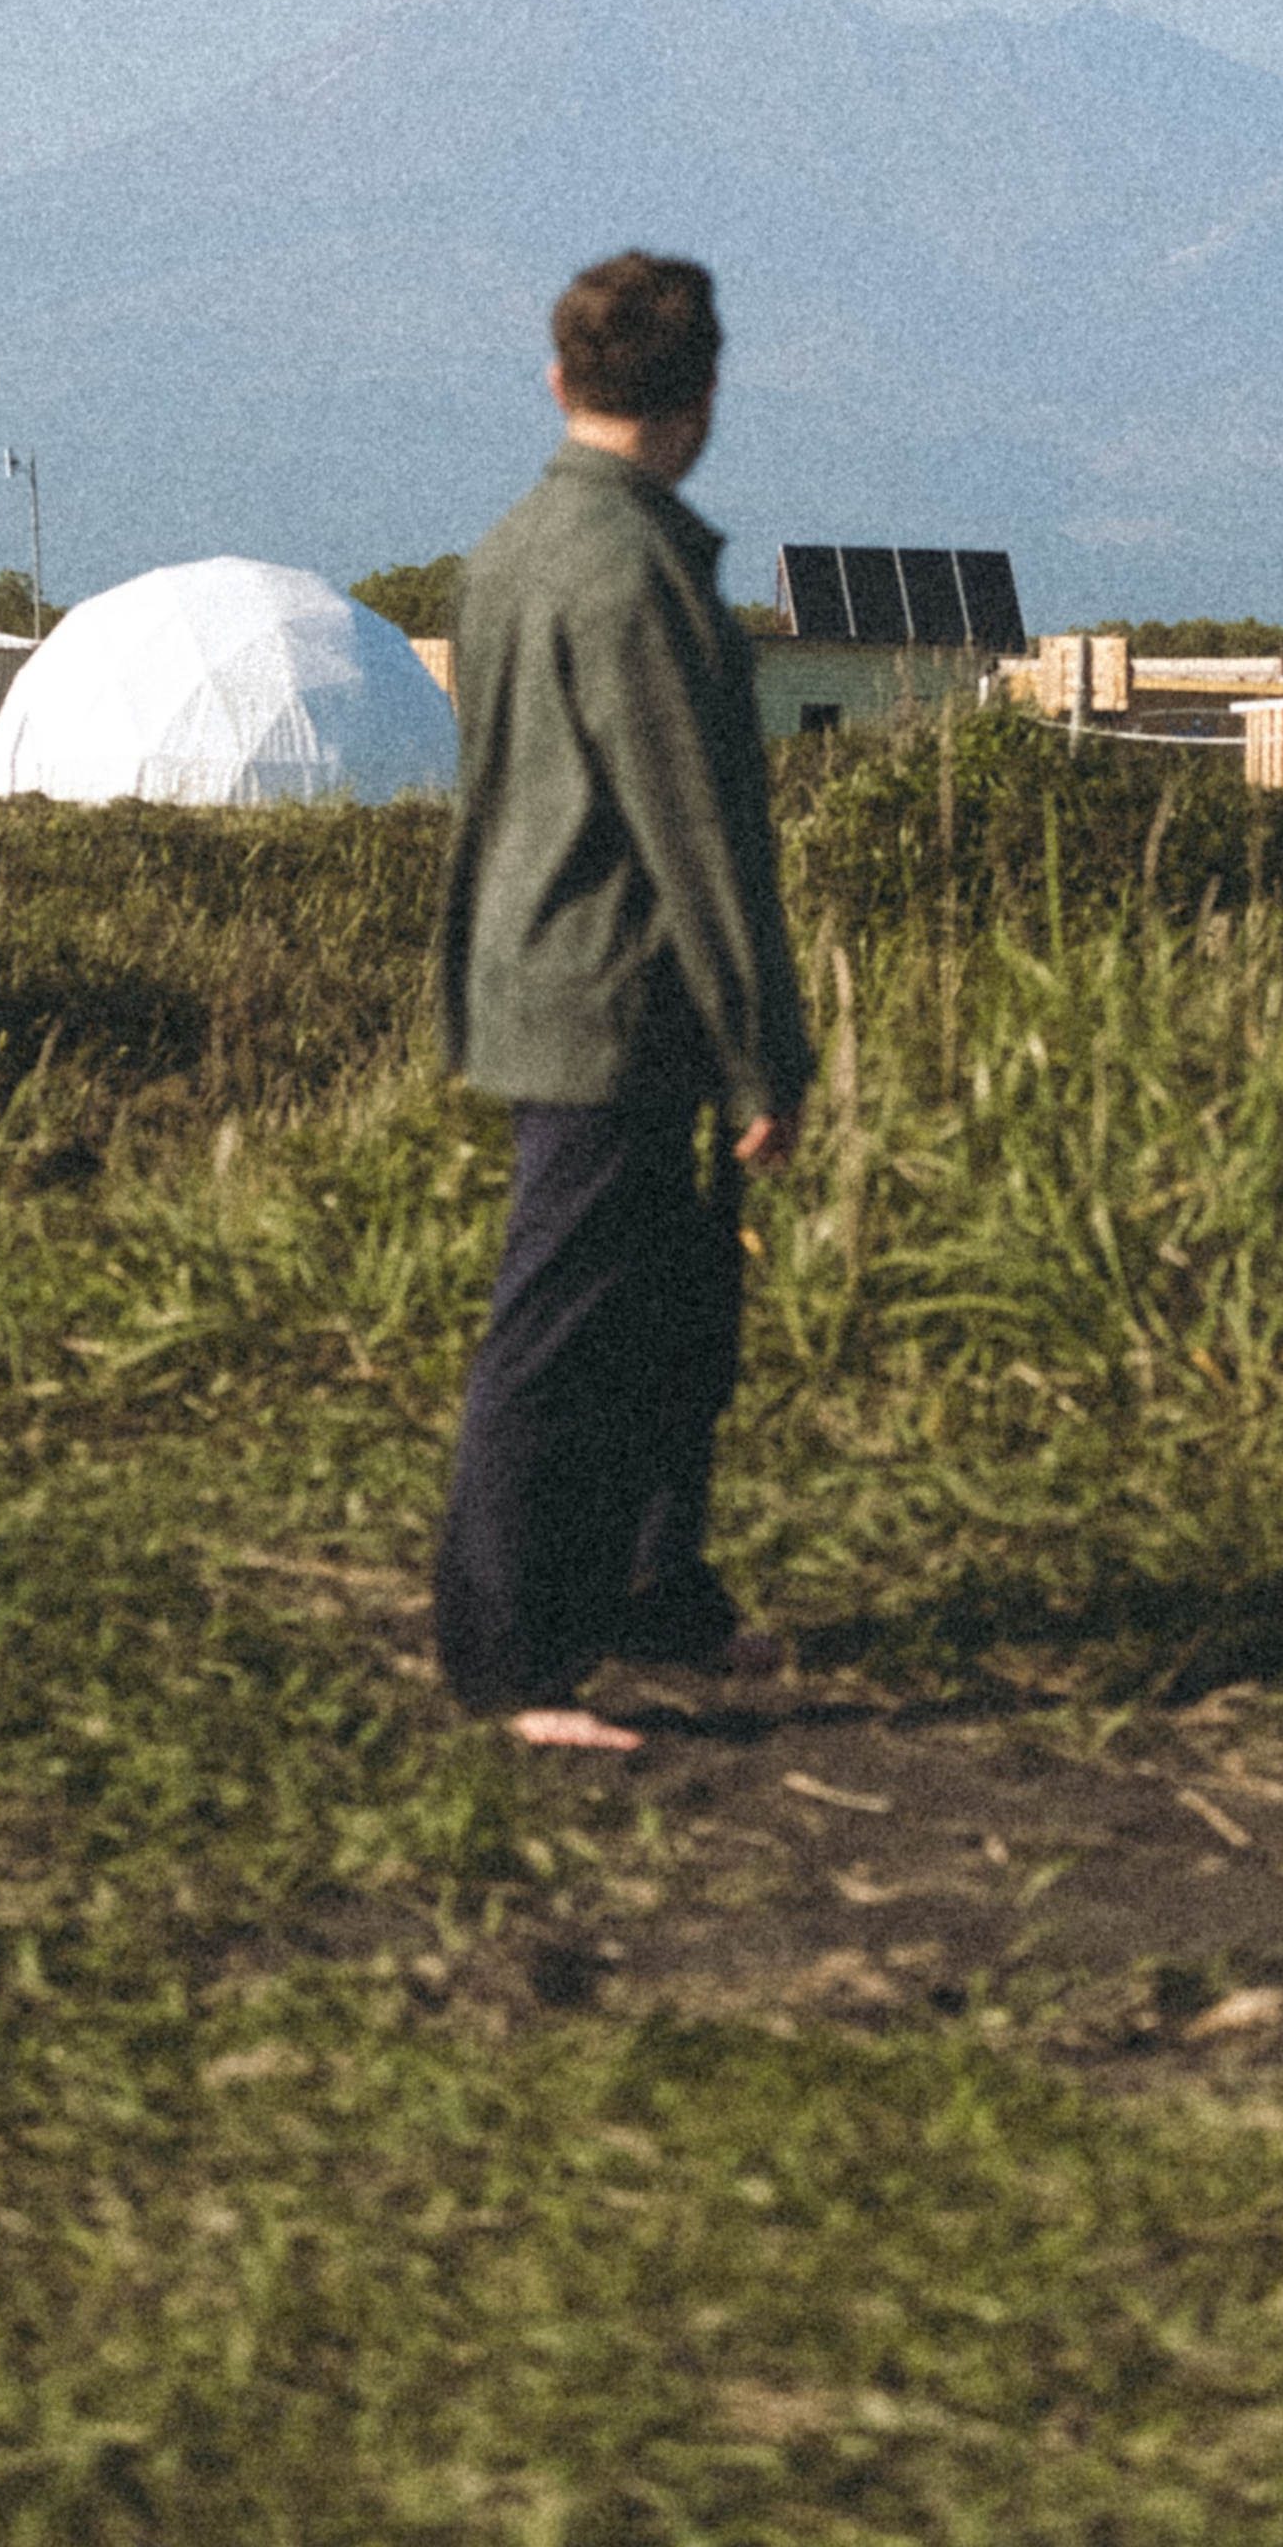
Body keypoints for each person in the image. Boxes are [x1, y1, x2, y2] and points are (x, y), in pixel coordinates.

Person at [432, 252, 812, 1752]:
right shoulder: (634, 569)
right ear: (705, 394)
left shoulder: (517, 545)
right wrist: (762, 1052)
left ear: (559, 376)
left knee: (672, 1302)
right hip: (616, 998)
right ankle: (509, 1658)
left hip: (531, 967)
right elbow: (696, 832)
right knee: (559, 1324)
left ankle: (658, 1585)